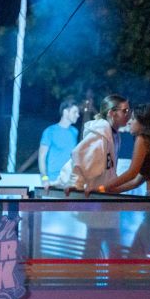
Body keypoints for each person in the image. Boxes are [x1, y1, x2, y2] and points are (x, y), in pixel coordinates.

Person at [55, 94, 131, 258]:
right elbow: (79, 156)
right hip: (99, 202)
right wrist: (73, 184)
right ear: (112, 113)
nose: (128, 114)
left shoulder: (112, 135)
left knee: (98, 249)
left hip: (104, 202)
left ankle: (94, 279)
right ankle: (94, 280)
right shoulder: (100, 134)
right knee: (100, 250)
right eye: (124, 111)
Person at [103, 103, 150, 257]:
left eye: (133, 119)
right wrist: (112, 191)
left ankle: (132, 282)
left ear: (143, 123)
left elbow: (132, 173)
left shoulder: (143, 139)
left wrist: (103, 188)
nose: (129, 121)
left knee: (135, 255)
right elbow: (137, 180)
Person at [38, 98, 79, 189]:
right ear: (65, 112)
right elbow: (42, 157)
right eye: (75, 112)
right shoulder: (49, 131)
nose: (78, 115)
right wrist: (44, 178)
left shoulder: (74, 132)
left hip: (70, 182)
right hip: (54, 181)